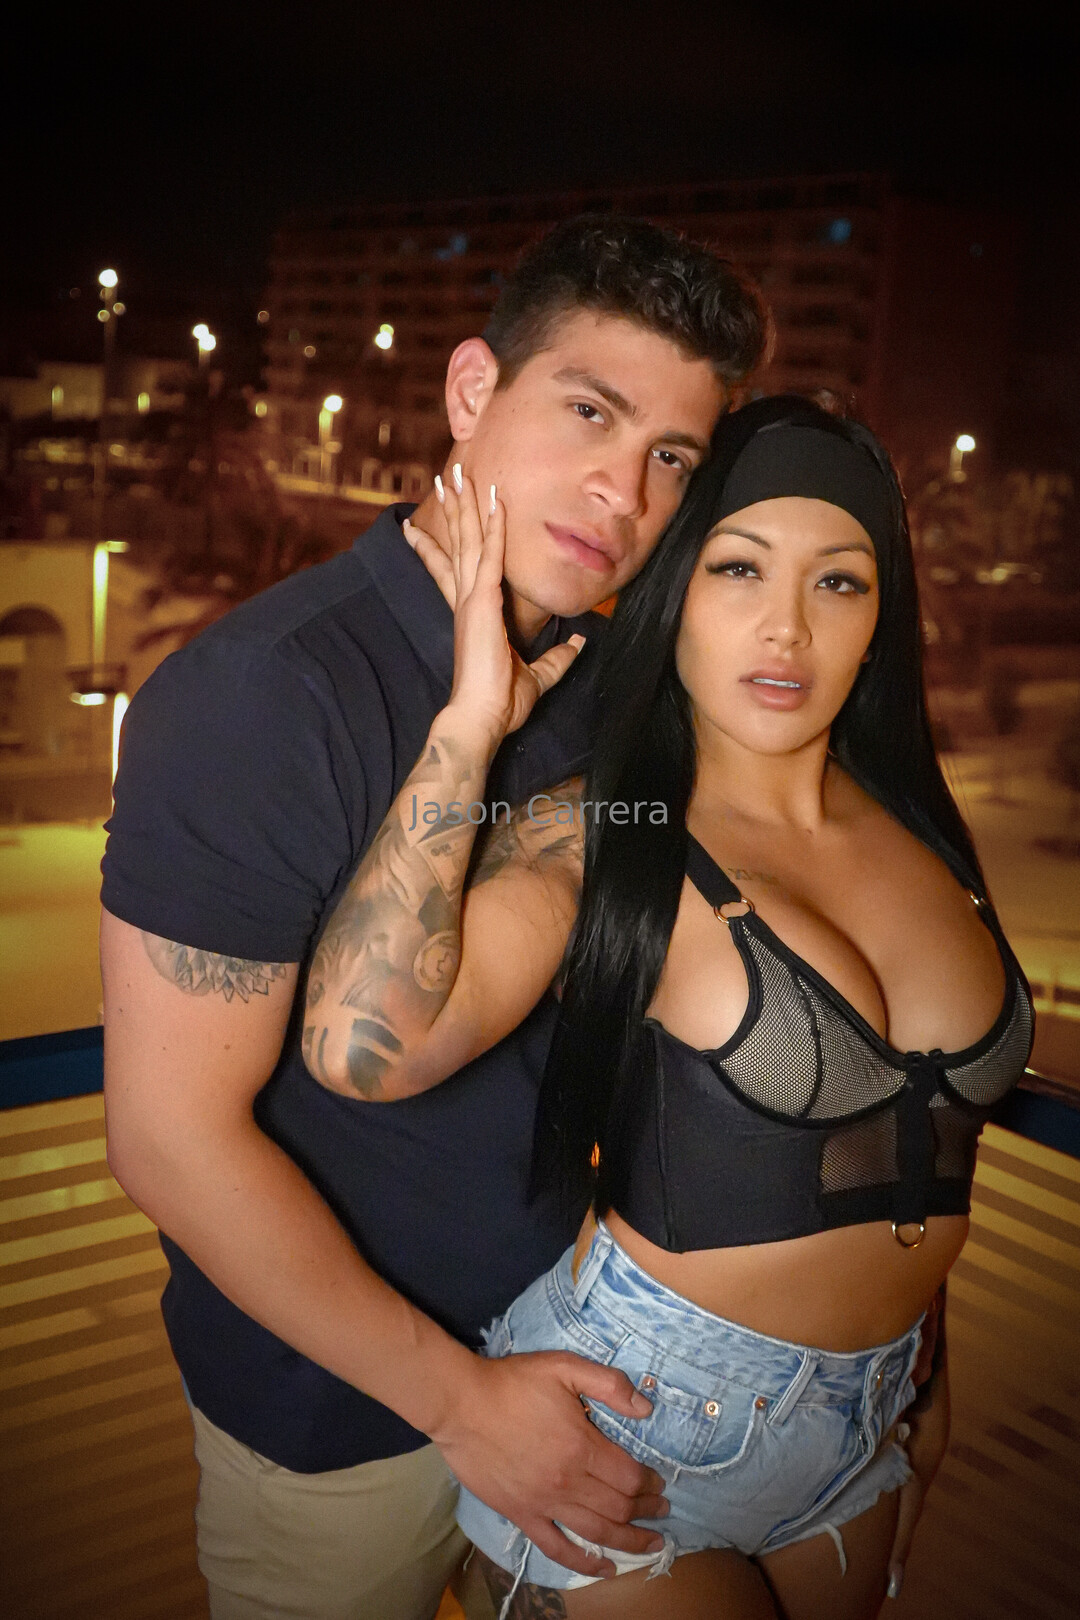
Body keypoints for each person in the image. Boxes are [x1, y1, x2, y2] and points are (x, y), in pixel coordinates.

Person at [99, 215, 768, 1620]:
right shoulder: (264, 696)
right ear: (473, 390)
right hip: (339, 1423)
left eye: (672, 456)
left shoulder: (611, 691)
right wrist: (464, 1405)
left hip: (568, 1354)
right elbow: (170, 1141)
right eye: (589, 411)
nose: (624, 490)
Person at [304, 395, 1034, 1618]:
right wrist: (470, 728)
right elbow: (361, 1049)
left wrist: (931, 1374)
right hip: (637, 1427)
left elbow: (919, 1139)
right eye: (738, 568)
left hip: (870, 1420)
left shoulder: (919, 826)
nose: (788, 626)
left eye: (839, 581)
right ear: (672, 594)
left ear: (881, 617)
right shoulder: (621, 826)